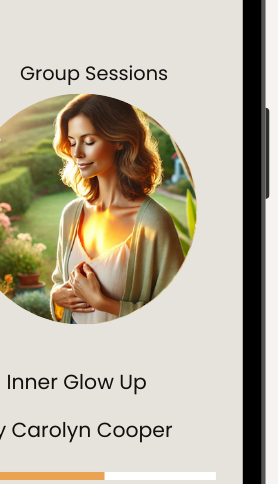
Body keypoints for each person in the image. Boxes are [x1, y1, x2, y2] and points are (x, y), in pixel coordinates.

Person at [49, 94, 185, 324]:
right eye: (72, 142)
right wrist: (56, 296)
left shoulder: (153, 222)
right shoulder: (71, 215)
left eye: (88, 141)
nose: (77, 153)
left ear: (119, 140)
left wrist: (103, 303)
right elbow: (59, 282)